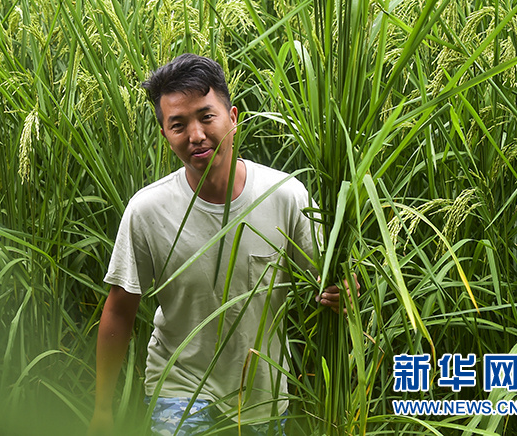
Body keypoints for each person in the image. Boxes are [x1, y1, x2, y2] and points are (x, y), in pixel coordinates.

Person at [88, 54, 352, 436]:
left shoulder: (285, 195)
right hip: (177, 390)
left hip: (261, 396)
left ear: (233, 116)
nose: (195, 135)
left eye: (206, 117)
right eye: (178, 125)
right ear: (164, 133)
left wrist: (346, 293)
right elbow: (120, 309)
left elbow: (328, 283)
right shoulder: (147, 211)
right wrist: (102, 410)